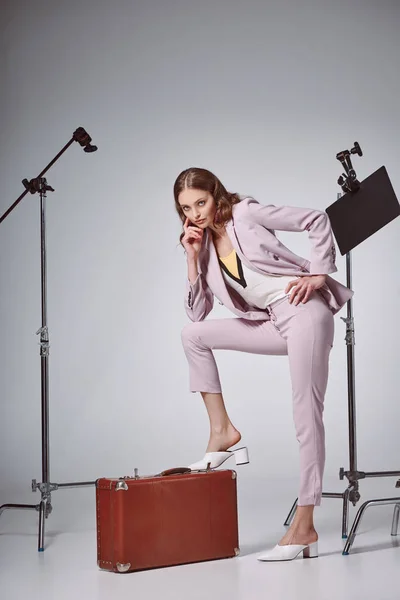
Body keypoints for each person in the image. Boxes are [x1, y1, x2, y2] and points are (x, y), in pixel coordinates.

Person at [174, 167, 354, 562]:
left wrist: (319, 274)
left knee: (306, 414)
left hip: (304, 310)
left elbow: (315, 218)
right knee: (193, 337)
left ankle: (305, 525)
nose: (196, 213)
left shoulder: (246, 213)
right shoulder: (201, 247)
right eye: (187, 208)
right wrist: (191, 260)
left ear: (214, 194)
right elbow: (196, 315)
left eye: (201, 202)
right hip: (271, 321)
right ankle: (222, 430)